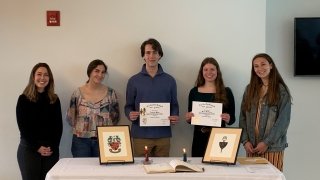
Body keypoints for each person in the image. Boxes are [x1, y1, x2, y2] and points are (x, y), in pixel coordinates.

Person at [124, 38, 179, 157]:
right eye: (148, 53)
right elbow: (128, 106)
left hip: (163, 135)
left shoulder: (170, 80)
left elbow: (174, 104)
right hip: (140, 135)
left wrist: (175, 115)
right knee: (141, 170)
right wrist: (130, 114)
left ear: (160, 55)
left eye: (155, 52)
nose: (151, 56)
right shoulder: (133, 81)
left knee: (163, 171)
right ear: (143, 56)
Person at [239, 53, 292, 171]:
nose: (259, 68)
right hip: (251, 147)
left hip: (272, 148)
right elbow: (242, 117)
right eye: (256, 66)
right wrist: (245, 140)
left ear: (271, 66)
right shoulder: (249, 89)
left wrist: (266, 143)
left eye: (263, 64)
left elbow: (283, 121)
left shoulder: (281, 91)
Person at [16, 63, 63, 180]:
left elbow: (58, 127)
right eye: (39, 74)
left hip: (50, 150)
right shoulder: (23, 99)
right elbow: (23, 128)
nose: (42, 78)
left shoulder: (54, 99)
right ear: (33, 77)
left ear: (50, 78)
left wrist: (51, 147)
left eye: (46, 75)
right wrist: (37, 147)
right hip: (29, 149)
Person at [66, 59, 120, 157]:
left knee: (102, 171)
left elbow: (115, 117)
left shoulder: (111, 94)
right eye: (96, 71)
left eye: (103, 72)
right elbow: (71, 118)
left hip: (104, 140)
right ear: (90, 72)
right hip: (81, 142)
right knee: (81, 171)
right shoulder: (77, 93)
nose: (100, 75)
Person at [185, 57, 236, 157]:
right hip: (199, 138)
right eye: (206, 69)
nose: (209, 72)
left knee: (219, 169)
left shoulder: (227, 91)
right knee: (199, 168)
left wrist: (228, 118)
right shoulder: (194, 92)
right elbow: (191, 119)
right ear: (202, 72)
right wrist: (188, 118)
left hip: (220, 139)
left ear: (217, 71)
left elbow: (232, 119)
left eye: (212, 69)